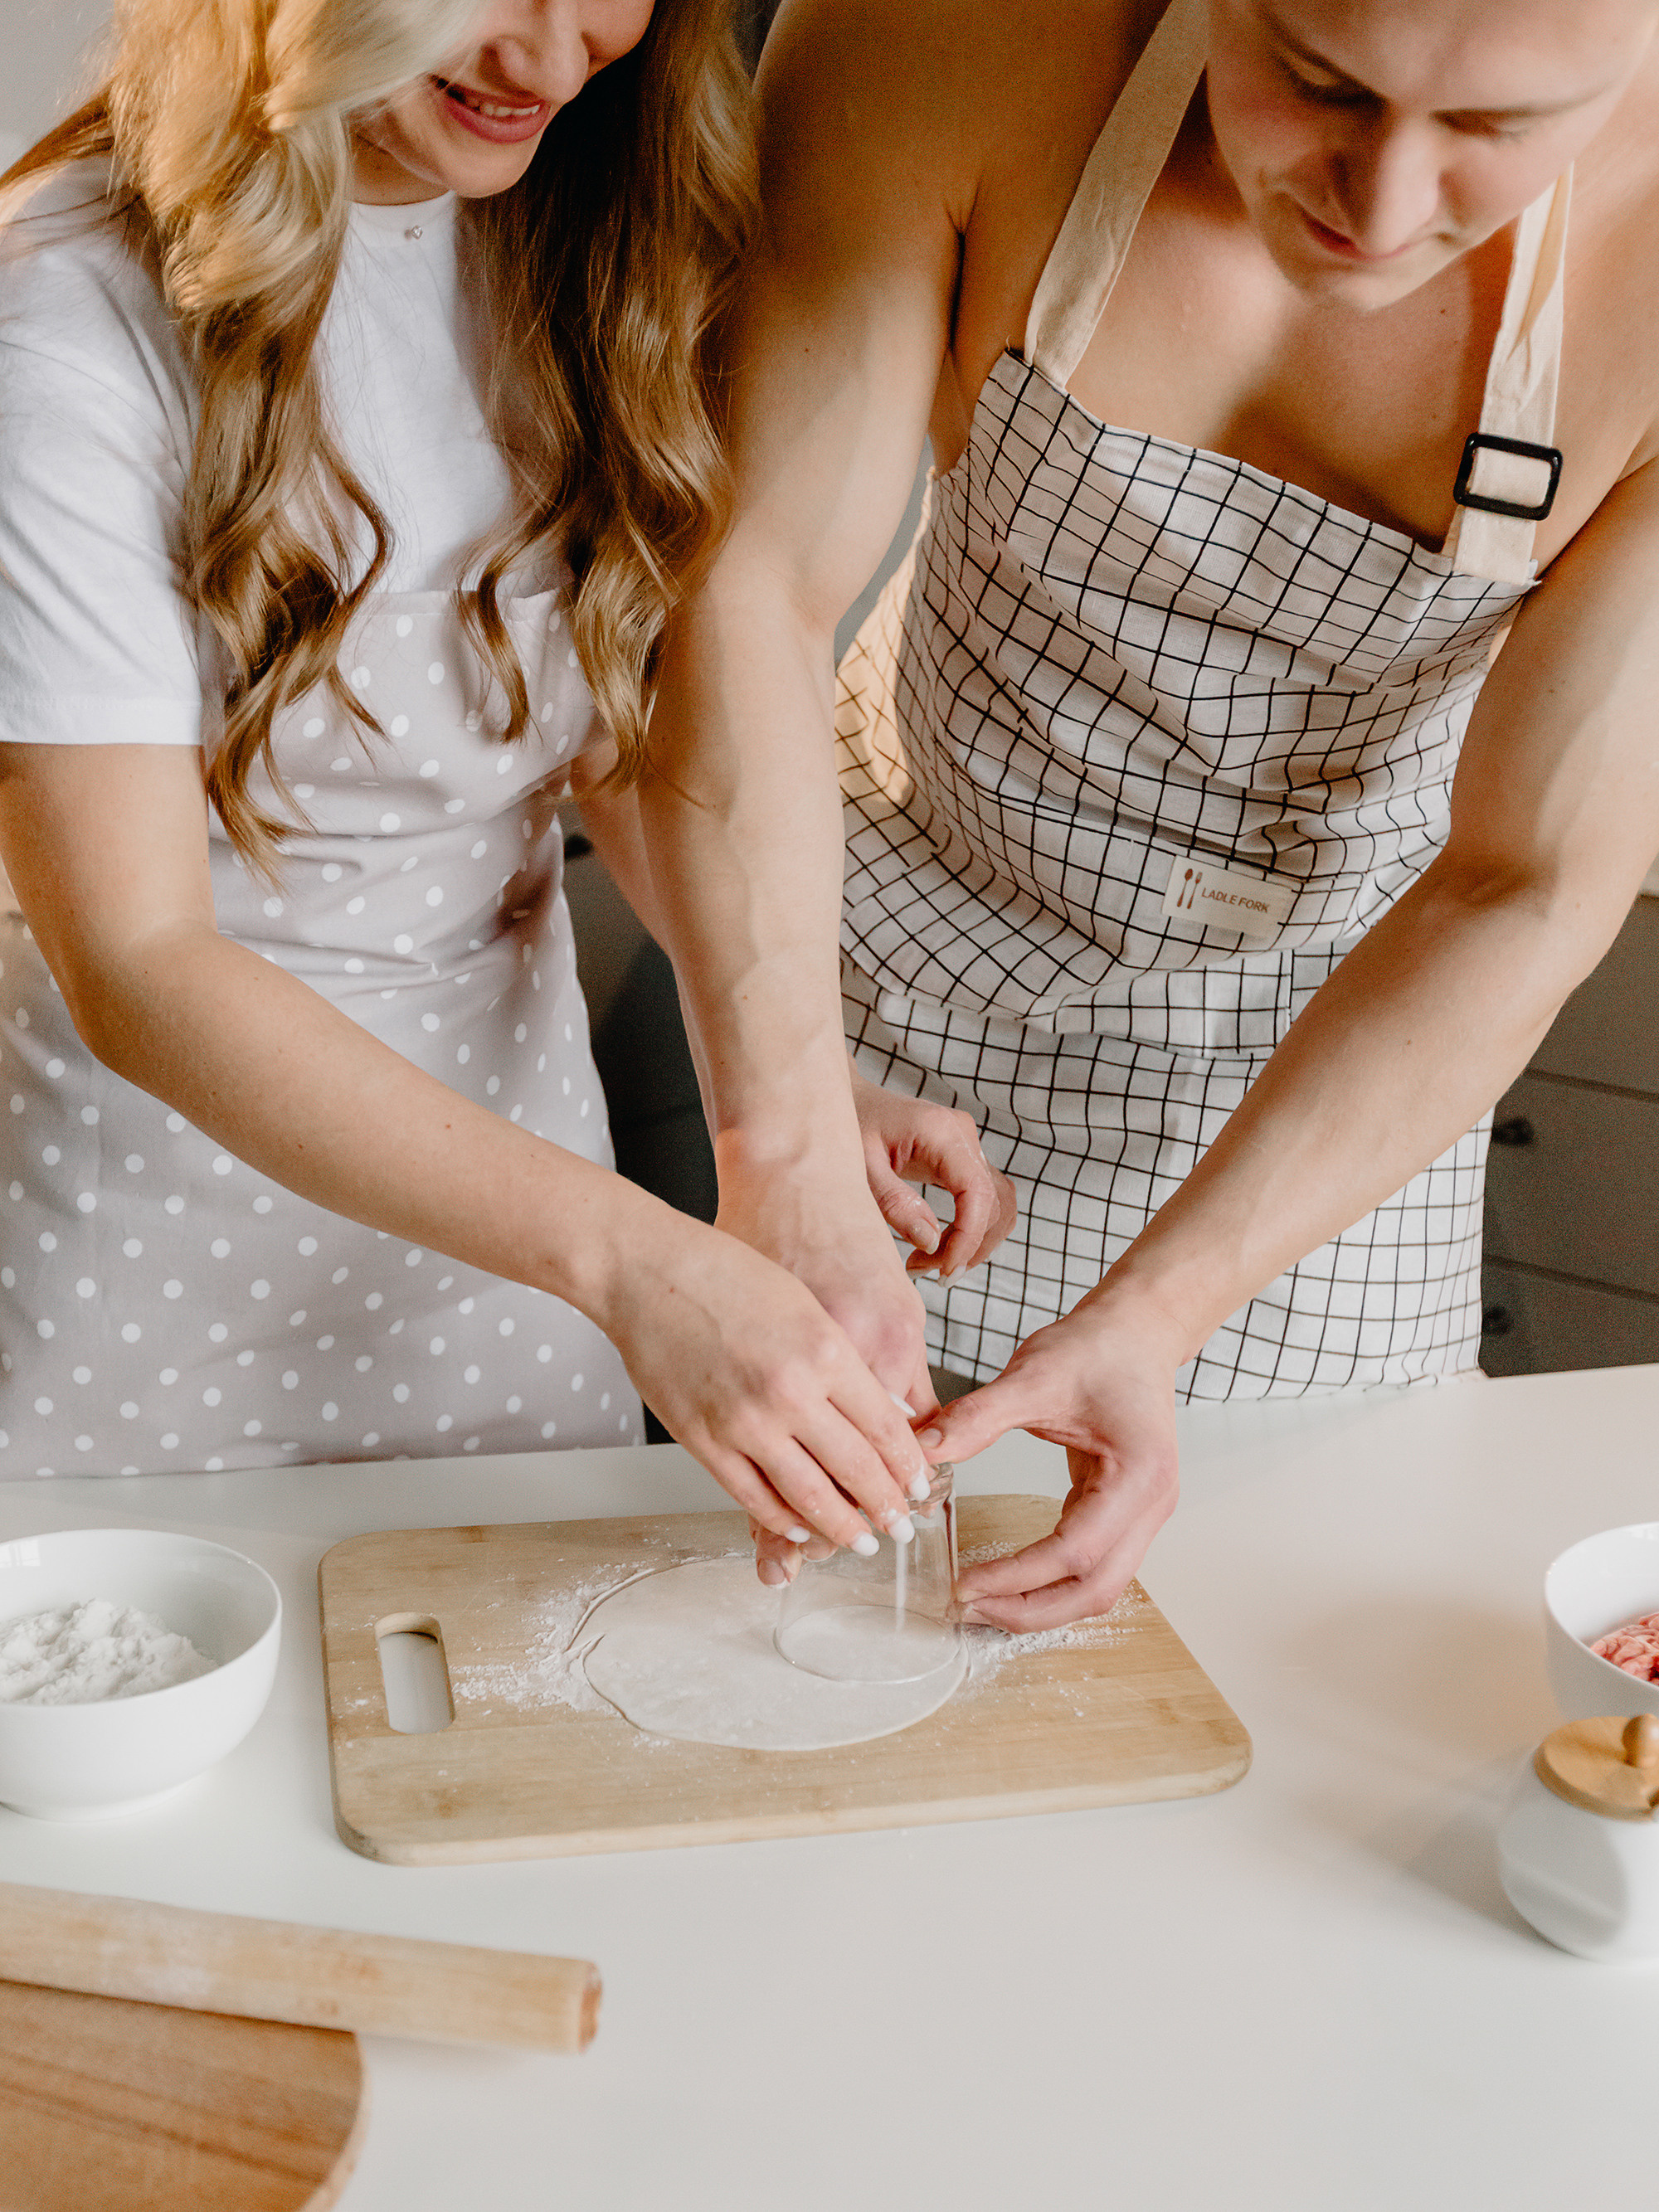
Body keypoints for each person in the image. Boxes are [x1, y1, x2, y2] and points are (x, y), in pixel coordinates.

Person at [640, 0, 1659, 1624]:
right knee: (739, 1633)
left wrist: (1158, 1313)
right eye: (1316, 81)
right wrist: (791, 1141)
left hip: (1313, 1120)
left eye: (1497, 131)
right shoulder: (959, 33)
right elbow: (745, 586)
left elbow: (1522, 882)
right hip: (849, 1006)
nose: (1379, 205)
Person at [0, 0, 1002, 1544]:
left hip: (515, 1258)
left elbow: (595, 740)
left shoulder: (570, 234)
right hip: (162, 1274)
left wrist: (793, 1088)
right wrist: (638, 1263)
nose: (549, 55)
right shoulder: (61, 318)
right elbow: (139, 960)